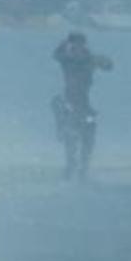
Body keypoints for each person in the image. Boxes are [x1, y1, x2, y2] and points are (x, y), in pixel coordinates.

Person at [51, 32, 112, 180]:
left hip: (84, 104)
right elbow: (56, 55)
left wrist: (102, 61)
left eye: (80, 45)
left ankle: (83, 169)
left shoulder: (89, 60)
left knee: (88, 137)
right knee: (70, 136)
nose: (77, 49)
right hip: (69, 103)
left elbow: (109, 66)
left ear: (84, 46)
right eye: (74, 46)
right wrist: (63, 45)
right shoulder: (67, 60)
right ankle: (71, 165)